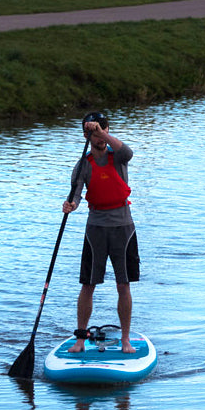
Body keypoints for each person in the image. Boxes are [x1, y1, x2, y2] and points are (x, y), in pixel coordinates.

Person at [62, 112, 141, 354]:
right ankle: (80, 339)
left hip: (123, 228)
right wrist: (70, 206)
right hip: (95, 229)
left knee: (123, 285)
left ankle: (126, 340)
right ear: (86, 136)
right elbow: (75, 195)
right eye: (94, 133)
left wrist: (102, 131)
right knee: (88, 284)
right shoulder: (83, 165)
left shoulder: (118, 156)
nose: (99, 137)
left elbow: (129, 152)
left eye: (103, 130)